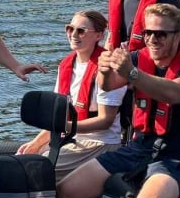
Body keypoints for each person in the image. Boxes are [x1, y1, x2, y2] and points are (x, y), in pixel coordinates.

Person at [57, 3, 180, 198]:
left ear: (177, 36)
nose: (153, 40)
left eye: (161, 34)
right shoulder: (138, 59)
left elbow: (174, 92)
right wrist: (106, 70)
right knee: (67, 192)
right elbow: (108, 85)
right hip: (137, 150)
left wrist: (132, 74)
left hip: (175, 159)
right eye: (148, 33)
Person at [17, 10, 127, 178]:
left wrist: (63, 126)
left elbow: (106, 120)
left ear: (98, 35)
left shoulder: (107, 68)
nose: (73, 35)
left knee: (37, 169)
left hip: (100, 143)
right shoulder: (66, 65)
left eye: (81, 31)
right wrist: (36, 143)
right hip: (70, 138)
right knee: (22, 159)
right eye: (70, 29)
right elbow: (59, 117)